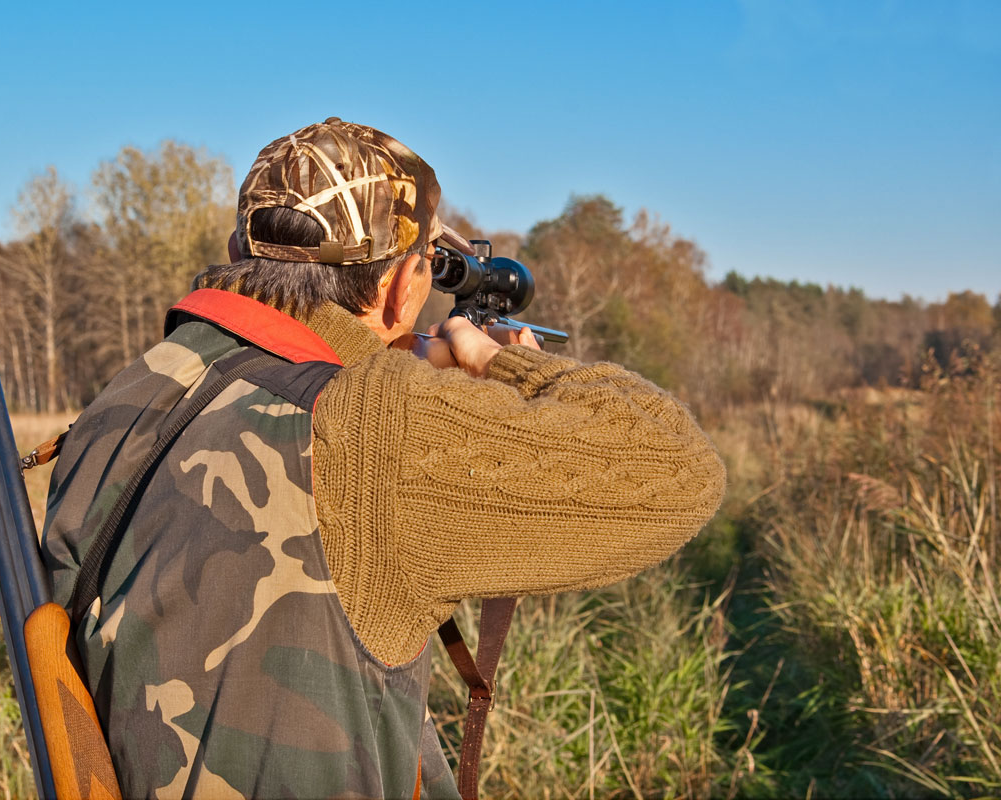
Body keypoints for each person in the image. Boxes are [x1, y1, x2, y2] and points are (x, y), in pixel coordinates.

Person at [41, 117, 726, 799]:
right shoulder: (373, 424)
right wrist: (498, 363)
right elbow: (680, 473)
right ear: (403, 288)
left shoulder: (134, 391)